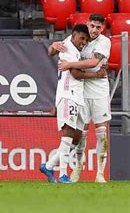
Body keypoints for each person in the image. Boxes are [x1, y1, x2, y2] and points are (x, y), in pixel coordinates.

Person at [40, 24, 107, 184]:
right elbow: (75, 73)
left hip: (77, 96)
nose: (83, 42)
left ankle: (48, 166)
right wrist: (98, 74)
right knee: (68, 133)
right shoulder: (68, 47)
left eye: (85, 40)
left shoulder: (73, 47)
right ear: (73, 35)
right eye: (81, 38)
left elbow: (52, 52)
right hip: (68, 94)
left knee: (76, 137)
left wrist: (52, 48)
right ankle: (63, 174)